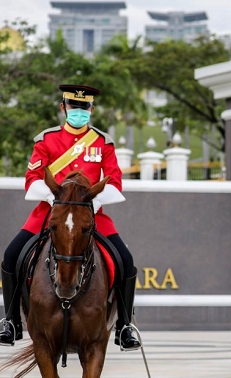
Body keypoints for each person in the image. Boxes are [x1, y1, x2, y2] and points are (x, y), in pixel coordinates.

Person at [0, 84, 141, 351]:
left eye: (84, 107)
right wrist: (56, 198)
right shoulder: (46, 140)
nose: (79, 111)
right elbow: (32, 179)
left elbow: (115, 182)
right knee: (11, 256)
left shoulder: (103, 143)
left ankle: (124, 326)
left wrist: (93, 200)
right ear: (63, 107)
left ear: (92, 110)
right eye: (74, 107)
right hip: (49, 214)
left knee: (126, 261)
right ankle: (11, 322)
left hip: (90, 215)